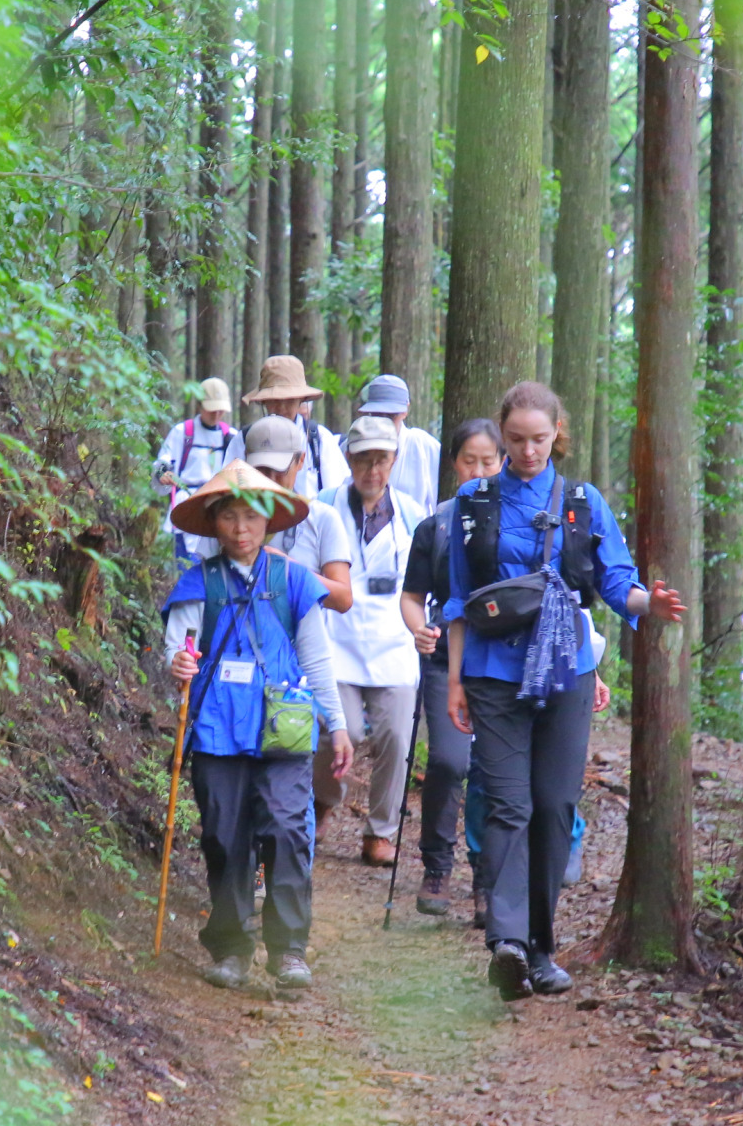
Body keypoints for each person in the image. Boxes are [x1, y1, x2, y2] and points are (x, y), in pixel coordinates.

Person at [444, 382, 686, 1001]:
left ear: (558, 436)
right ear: (502, 436)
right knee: (508, 806)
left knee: (553, 807)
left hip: (567, 671)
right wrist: (454, 682)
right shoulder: (473, 502)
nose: (527, 450)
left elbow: (617, 582)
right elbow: (457, 600)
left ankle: (541, 949)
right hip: (494, 673)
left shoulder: (583, 502)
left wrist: (649, 605)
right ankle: (505, 941)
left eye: (539, 439)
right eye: (516, 439)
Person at [163, 461, 353, 992]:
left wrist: (336, 725)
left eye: (251, 517)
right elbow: (178, 649)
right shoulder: (199, 582)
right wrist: (178, 663)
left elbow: (316, 658)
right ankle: (229, 947)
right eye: (229, 517)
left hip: (285, 729)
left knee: (289, 831)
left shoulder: (294, 579)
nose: (241, 528)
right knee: (225, 835)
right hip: (218, 729)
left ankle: (289, 950)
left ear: (268, 520)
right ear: (214, 522)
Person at [401, 421, 600, 924]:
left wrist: (590, 666)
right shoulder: (445, 521)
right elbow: (433, 597)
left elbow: (571, 594)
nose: (480, 468)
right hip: (464, 664)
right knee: (454, 765)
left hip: (539, 665)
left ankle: (492, 887)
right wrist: (428, 640)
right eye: (470, 460)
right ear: (455, 465)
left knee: (518, 787)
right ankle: (443, 869)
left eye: (488, 459)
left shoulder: (560, 506)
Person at [313, 415, 428, 866]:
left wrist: (423, 628)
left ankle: (381, 830)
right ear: (348, 459)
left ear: (394, 461)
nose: (372, 470)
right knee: (338, 730)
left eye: (381, 460)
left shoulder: (415, 516)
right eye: (363, 460)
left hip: (394, 641)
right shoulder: (323, 506)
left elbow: (422, 585)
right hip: (336, 638)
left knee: (397, 735)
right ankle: (323, 801)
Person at [189, 415, 354, 612]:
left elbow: (343, 599)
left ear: (300, 461)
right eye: (263, 470)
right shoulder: (224, 516)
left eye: (280, 470)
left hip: (305, 638)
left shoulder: (322, 518)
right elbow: (201, 586)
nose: (271, 479)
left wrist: (286, 569)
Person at [225, 356, 350, 496]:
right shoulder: (244, 440)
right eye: (275, 400)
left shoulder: (319, 440)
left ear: (301, 400)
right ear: (264, 402)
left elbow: (338, 494)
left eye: (289, 400)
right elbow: (226, 491)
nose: (282, 408)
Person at [153, 378, 238, 565]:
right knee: (188, 566)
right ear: (200, 405)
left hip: (220, 507)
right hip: (188, 506)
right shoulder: (182, 432)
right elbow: (163, 462)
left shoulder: (230, 436)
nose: (216, 414)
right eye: (211, 409)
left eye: (220, 410)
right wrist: (163, 474)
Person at [356, 373, 442, 512]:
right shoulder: (354, 447)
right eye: (377, 414)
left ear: (405, 410)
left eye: (391, 416)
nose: (384, 422)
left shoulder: (424, 447)